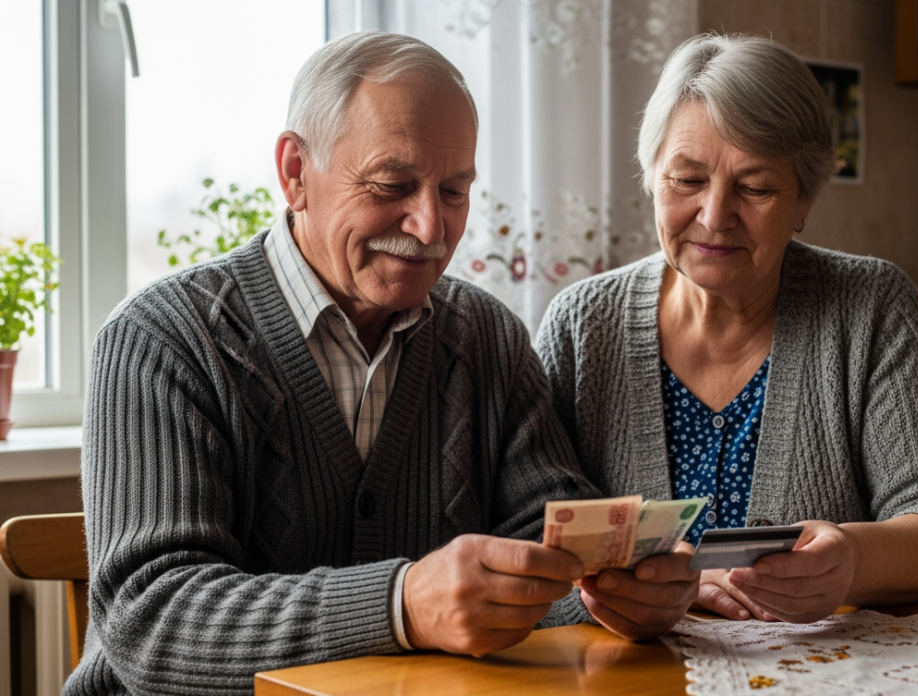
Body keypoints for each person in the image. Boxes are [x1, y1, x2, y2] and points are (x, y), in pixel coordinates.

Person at [71, 32, 697, 695]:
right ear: (294, 173)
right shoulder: (161, 340)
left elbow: (557, 556)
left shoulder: (488, 337)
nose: (431, 228)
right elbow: (153, 622)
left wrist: (616, 595)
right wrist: (400, 606)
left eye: (454, 192)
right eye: (392, 184)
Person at [536, 33, 918, 626]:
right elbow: (530, 537)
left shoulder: (872, 306)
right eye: (687, 180)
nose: (713, 216)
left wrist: (852, 560)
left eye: (754, 188)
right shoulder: (581, 324)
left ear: (804, 199)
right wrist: (609, 600)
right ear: (651, 177)